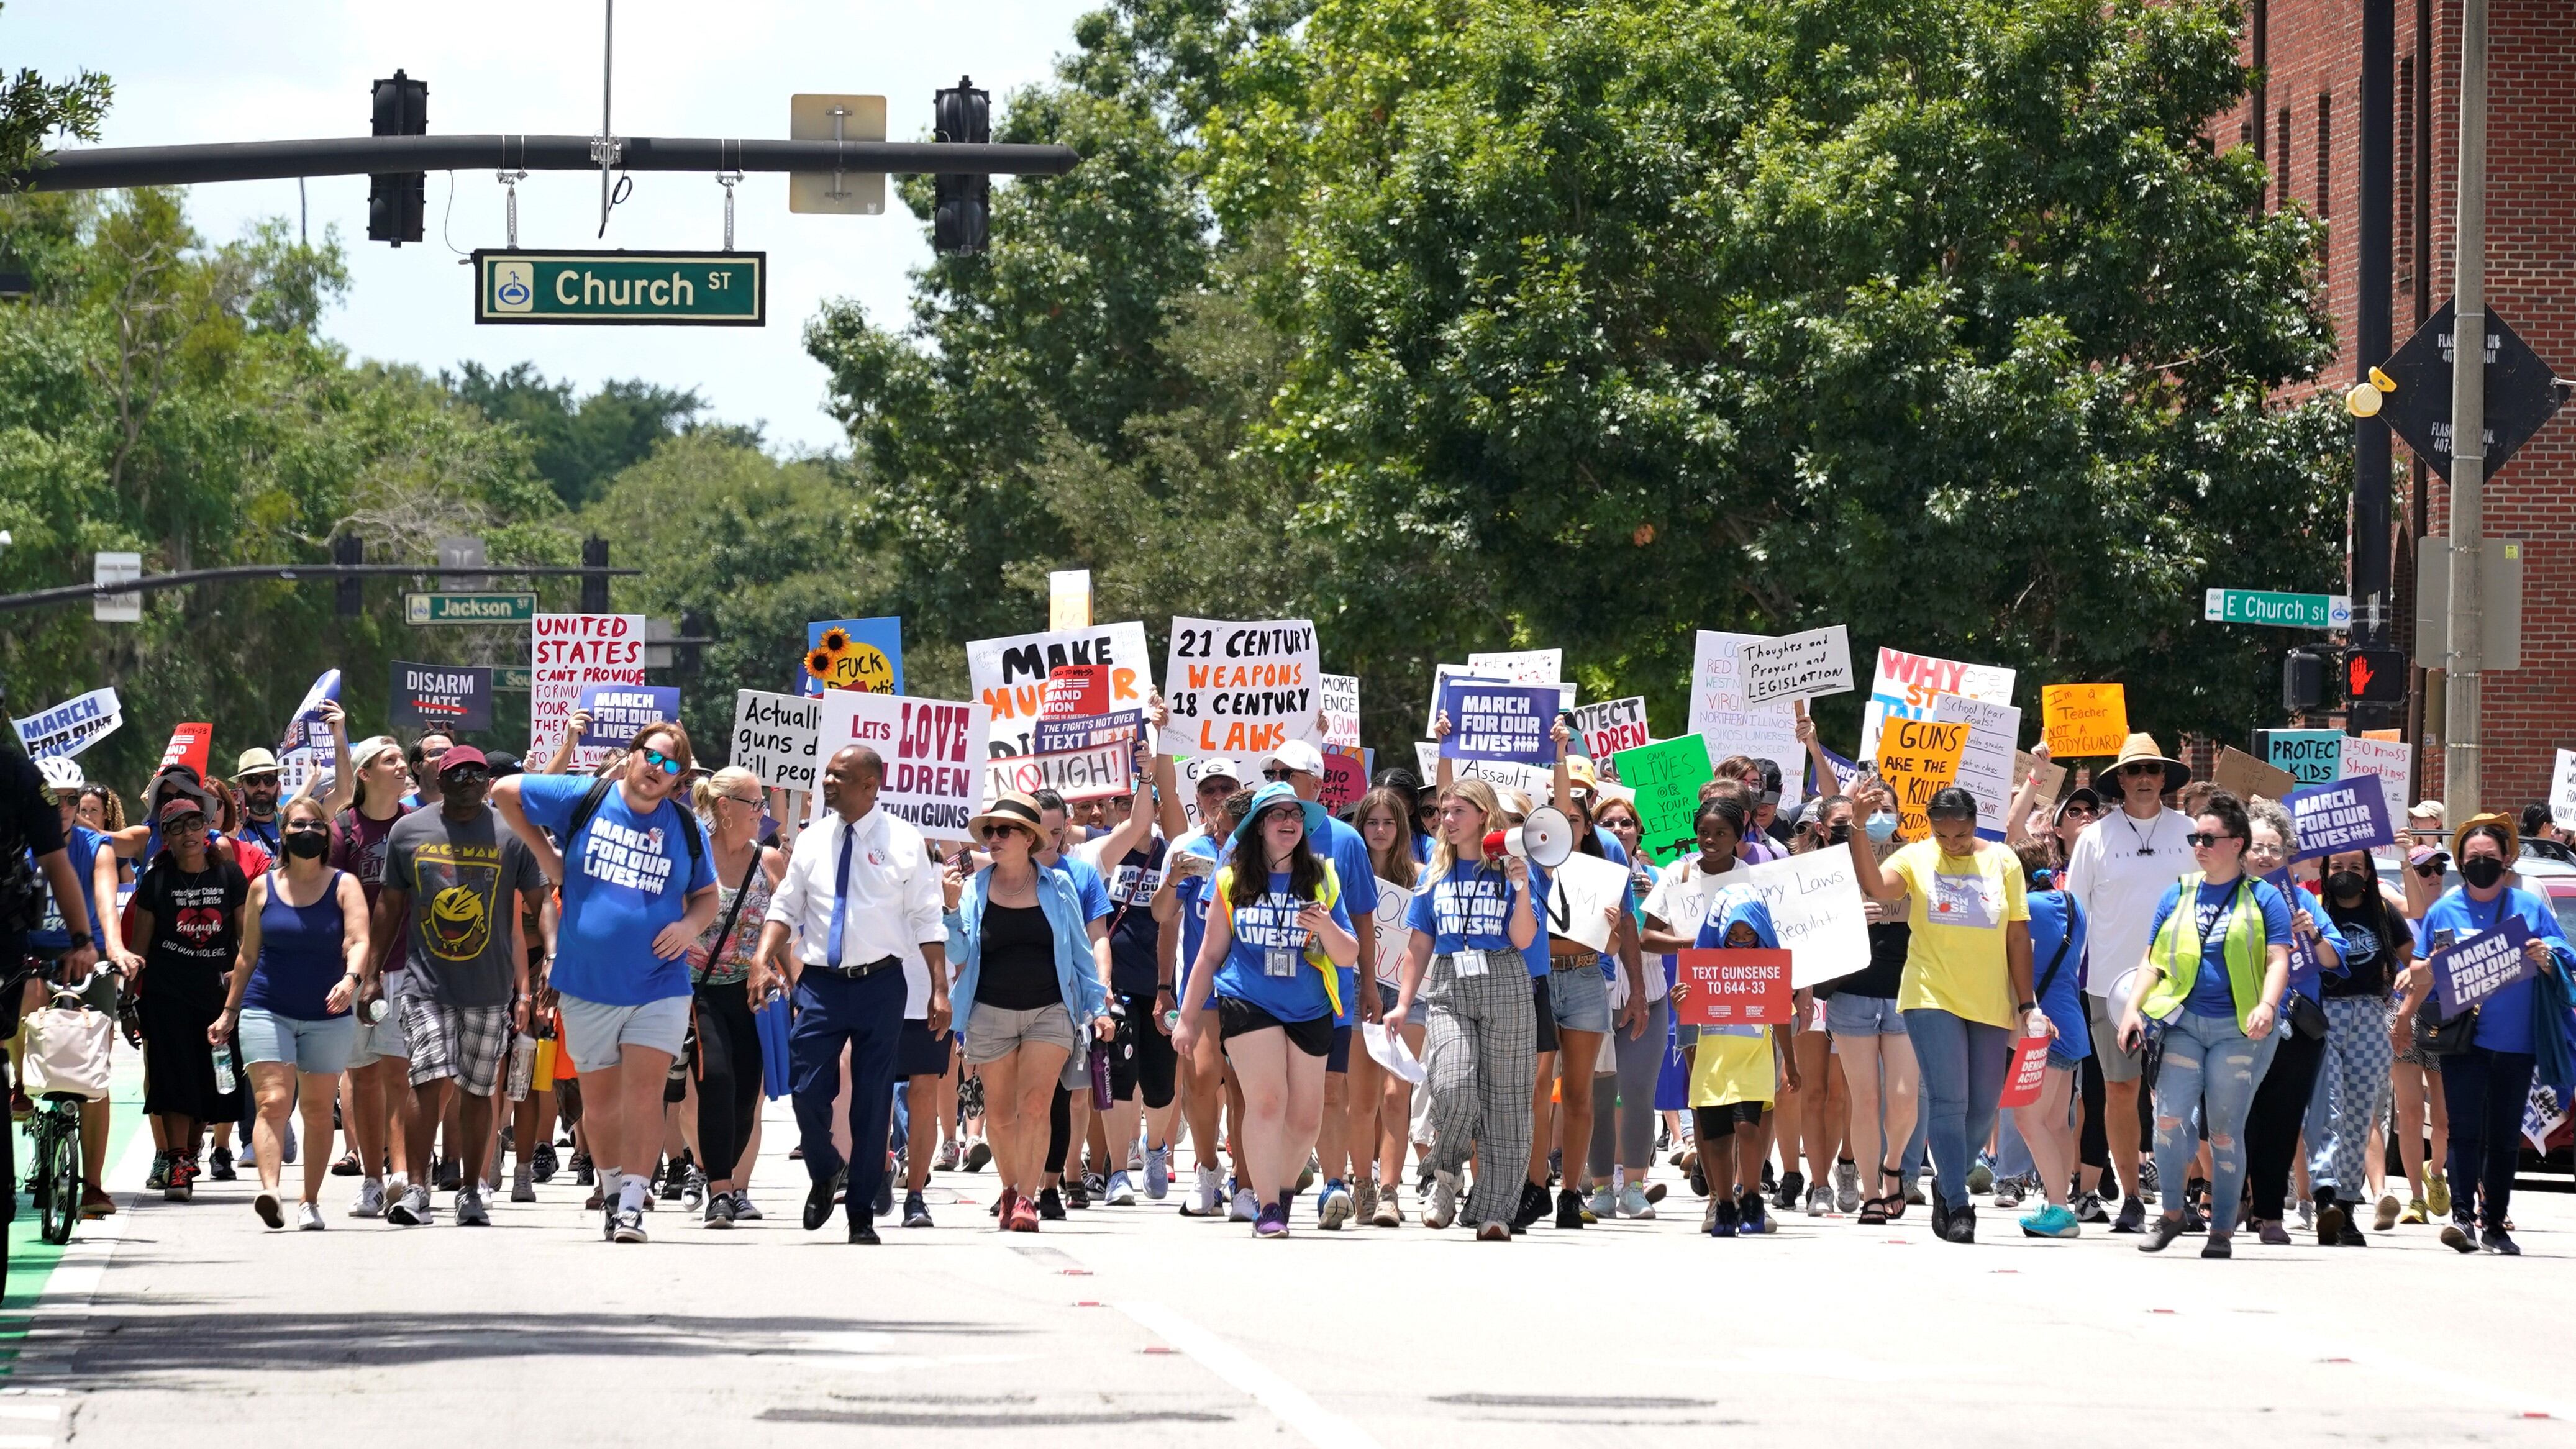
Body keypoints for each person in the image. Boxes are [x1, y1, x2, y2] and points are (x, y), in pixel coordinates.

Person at [494, 720, 721, 1244]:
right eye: (650, 756)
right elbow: (505, 792)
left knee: (644, 1096)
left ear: (679, 778)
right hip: (587, 984)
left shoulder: (686, 828)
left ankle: (633, 1206)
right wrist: (547, 856)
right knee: (600, 1103)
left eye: (669, 766)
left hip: (659, 985)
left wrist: (688, 927)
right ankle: (613, 1188)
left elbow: (707, 896)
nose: (655, 771)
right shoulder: (587, 795)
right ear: (632, 755)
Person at [752, 745, 949, 1244]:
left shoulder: (904, 842)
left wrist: (939, 989)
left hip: (881, 983)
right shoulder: (814, 839)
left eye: (839, 775)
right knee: (807, 1089)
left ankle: (860, 1212)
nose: (828, 781)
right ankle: (826, 1168)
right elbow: (785, 905)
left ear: (870, 785)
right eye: (826, 774)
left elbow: (927, 919)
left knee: (872, 1100)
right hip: (819, 983)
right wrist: (761, 958)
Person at [1845, 783, 2045, 1245]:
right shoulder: (1915, 857)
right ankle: (1957, 1203)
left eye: (1961, 834)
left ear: (1975, 824)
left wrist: (2026, 1003)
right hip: (1929, 994)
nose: (1952, 843)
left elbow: (2017, 935)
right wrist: (1857, 826)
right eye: (1943, 835)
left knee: (1981, 1108)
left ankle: (1945, 1176)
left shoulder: (2004, 860)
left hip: (1990, 999)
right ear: (1931, 828)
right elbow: (1875, 885)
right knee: (1949, 1100)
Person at [1172, 782, 1358, 1239]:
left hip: (1310, 1006)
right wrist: (1188, 1016)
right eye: (1276, 814)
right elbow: (1210, 954)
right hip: (1247, 999)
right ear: (1257, 827)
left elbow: (1348, 953)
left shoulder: (1322, 878)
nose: (1289, 821)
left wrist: (1325, 924)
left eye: (1295, 814)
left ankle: (1282, 1191)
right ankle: (1267, 1204)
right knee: (1268, 1100)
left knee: (1305, 1118)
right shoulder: (1231, 879)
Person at [372, 746, 545, 1228]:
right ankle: (416, 1188)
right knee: (427, 1079)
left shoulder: (511, 836)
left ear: (489, 780)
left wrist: (551, 954)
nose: (469, 780)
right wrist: (368, 973)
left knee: (476, 1088)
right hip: (425, 983)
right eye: (457, 773)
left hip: (489, 988)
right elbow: (388, 905)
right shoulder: (408, 831)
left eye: (477, 773)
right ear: (438, 779)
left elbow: (539, 899)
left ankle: (470, 1190)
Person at [2115, 789, 2292, 1260]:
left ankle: (2221, 1229)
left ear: (2237, 843)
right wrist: (2133, 1007)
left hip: (2239, 1029)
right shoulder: (2177, 892)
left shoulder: (2264, 898)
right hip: (2182, 1024)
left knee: (2223, 1130)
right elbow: (2151, 960)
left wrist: (2268, 1006)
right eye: (2195, 836)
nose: (2199, 845)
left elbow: (2278, 960)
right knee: (2168, 1119)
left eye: (2209, 837)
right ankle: (2172, 1214)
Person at [2397, 813, 2576, 1256]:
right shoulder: (2443, 909)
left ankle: (2494, 1221)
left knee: (2502, 1135)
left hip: (2517, 1043)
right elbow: (2420, 969)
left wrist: (2545, 952)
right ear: (2460, 861)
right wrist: (2422, 972)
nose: (2481, 864)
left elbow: (2566, 954)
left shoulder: (2529, 907)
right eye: (2472, 858)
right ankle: (2461, 1217)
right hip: (2465, 1040)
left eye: (2489, 857)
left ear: (2506, 860)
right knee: (2464, 1129)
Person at [937, 791, 1113, 1233]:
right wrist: (952, 909)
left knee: (1035, 1105)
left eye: (1003, 830)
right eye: (990, 831)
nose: (993, 838)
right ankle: (1010, 1186)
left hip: (1049, 1010)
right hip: (989, 1011)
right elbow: (958, 953)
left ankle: (1028, 1199)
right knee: (998, 1113)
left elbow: (1079, 953)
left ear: (1028, 838)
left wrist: (1098, 1007)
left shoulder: (1059, 886)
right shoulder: (974, 888)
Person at [1382, 779, 1539, 1241]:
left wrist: (1521, 886)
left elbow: (1525, 938)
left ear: (1483, 816)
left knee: (1507, 1101)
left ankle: (1495, 1210)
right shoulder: (1432, 876)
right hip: (1449, 981)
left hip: (1505, 976)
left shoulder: (1511, 867)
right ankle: (1445, 1174)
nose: (1445, 820)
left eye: (1456, 812)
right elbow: (1417, 945)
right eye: (1442, 812)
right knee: (1450, 1080)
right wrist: (1403, 1003)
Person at [211, 796, 368, 1230]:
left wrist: (351, 978)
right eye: (297, 825)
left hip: (328, 1010)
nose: (307, 832)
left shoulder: (344, 885)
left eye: (315, 825)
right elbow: (246, 956)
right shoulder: (262, 887)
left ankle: (310, 1200)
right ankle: (270, 1190)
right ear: (283, 833)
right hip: (267, 1007)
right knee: (273, 1101)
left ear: (327, 832)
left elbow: (359, 939)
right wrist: (229, 1013)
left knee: (318, 1109)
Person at [2062, 733, 2196, 1233]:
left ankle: (2179, 1200)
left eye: (2151, 770)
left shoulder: (2189, 832)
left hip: (2180, 985)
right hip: (2108, 985)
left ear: (2164, 778)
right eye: (2133, 771)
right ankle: (2132, 1197)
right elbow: (2074, 912)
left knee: (2180, 1093)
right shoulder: (2095, 837)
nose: (2143, 779)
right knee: (2120, 1088)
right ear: (2119, 780)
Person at [1253, 740, 1380, 1230]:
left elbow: (1364, 919)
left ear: (1317, 784)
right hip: (1262, 991)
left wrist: (1368, 982)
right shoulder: (1254, 836)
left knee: (1328, 1091)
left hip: (1326, 988)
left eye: (1287, 771)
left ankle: (1332, 1182)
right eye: (1272, 772)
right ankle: (1266, 1184)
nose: (1277, 777)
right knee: (1270, 1095)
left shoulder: (1345, 840)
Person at [1670, 794, 1801, 1237]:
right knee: (1716, 1134)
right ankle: (1722, 1203)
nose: (1741, 942)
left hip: (1752, 1060)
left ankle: (1751, 1195)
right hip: (1711, 1061)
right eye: (1732, 934)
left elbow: (1780, 1013)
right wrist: (1680, 999)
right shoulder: (1703, 963)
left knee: (1748, 1127)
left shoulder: (1768, 968)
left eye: (1749, 934)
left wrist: (1792, 1062)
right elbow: (1687, 1012)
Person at [120, 796, 250, 1201]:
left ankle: (191, 1151)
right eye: (176, 827)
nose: (187, 833)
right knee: (174, 1078)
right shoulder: (156, 881)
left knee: (210, 1085)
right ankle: (178, 1160)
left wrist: (245, 986)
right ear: (166, 839)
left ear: (206, 830)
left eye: (194, 824)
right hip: (166, 994)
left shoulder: (230, 876)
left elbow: (246, 940)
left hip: (217, 998)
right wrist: (127, 1001)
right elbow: (139, 948)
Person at [2238, 797, 2347, 1246]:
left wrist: (2313, 932)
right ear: (2240, 848)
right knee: (2239, 1118)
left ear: (2287, 855)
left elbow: (2335, 958)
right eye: (2257, 847)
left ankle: (2268, 1213)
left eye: (2275, 849)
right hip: (2238, 1025)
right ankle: (2233, 1197)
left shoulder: (2303, 900)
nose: (2265, 856)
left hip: (2296, 1028)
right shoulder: (2226, 895)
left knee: (2282, 1120)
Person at [685, 767, 785, 1227]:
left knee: (747, 1094)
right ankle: (720, 1190)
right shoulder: (691, 853)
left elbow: (784, 931)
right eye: (755, 804)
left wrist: (800, 989)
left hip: (752, 994)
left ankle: (720, 1176)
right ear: (725, 808)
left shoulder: (769, 861)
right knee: (718, 1080)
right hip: (696, 989)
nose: (762, 813)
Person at [325, 725, 417, 1214]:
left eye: (404, 759)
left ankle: (402, 1173)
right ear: (364, 773)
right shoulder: (343, 829)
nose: (402, 766)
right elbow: (329, 900)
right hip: (356, 971)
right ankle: (371, 1179)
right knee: (362, 1073)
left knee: (398, 1071)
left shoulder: (417, 823)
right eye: (390, 760)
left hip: (407, 967)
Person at [1153, 776, 1247, 1218]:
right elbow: (1162, 916)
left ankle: (1247, 1182)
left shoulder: (1262, 852)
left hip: (1253, 987)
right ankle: (1208, 1169)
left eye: (1226, 788)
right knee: (1200, 1080)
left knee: (1248, 1088)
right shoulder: (1188, 850)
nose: (1217, 797)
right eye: (1209, 790)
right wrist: (1172, 879)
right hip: (1204, 986)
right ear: (1199, 800)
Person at [27, 757, 116, 1218]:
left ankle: (95, 1185)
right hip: (31, 957)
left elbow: (105, 902)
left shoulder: (94, 846)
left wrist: (116, 949)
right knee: (30, 995)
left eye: (70, 801)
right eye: (51, 799)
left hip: (89, 958)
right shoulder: (15, 842)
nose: (60, 809)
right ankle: (20, 1090)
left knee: (95, 1075)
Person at [2310, 844, 2413, 1233]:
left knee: (2359, 1115)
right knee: (2327, 1109)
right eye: (2337, 865)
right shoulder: (2314, 908)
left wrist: (2409, 996)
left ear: (2369, 873)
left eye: (2355, 865)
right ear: (2325, 869)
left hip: (2371, 1014)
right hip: (2324, 1016)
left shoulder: (2384, 913)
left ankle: (2347, 1206)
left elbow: (2415, 961)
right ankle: (2324, 1196)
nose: (2346, 872)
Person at [1585, 791, 1668, 1220]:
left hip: (1648, 992)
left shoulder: (1659, 876)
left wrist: (1653, 899)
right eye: (1609, 822)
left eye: (1626, 822)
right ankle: (1600, 1187)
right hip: (1597, 997)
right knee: (1599, 1096)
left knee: (1637, 1092)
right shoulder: (1583, 873)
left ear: (1638, 830)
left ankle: (1634, 1186)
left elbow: (1676, 929)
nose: (1618, 829)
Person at [2008, 842, 2091, 1239]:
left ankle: (2059, 1209)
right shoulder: (2073, 905)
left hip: (2042, 1026)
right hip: (2071, 1022)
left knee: (2027, 1118)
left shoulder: (2024, 909)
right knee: (2057, 1123)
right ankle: (2062, 1204)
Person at [1354, 784, 1424, 1224]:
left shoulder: (1421, 876)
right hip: (1357, 990)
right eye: (1371, 821)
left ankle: (1389, 1191)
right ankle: (1362, 1182)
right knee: (1359, 1100)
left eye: (1388, 822)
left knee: (1396, 1096)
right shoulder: (1342, 873)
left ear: (1401, 829)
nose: (1380, 830)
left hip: (1407, 995)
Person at [232, 748, 286, 856]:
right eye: (253, 780)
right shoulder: (230, 833)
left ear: (278, 786)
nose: (262, 788)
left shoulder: (290, 826)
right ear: (239, 787)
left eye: (269, 780)